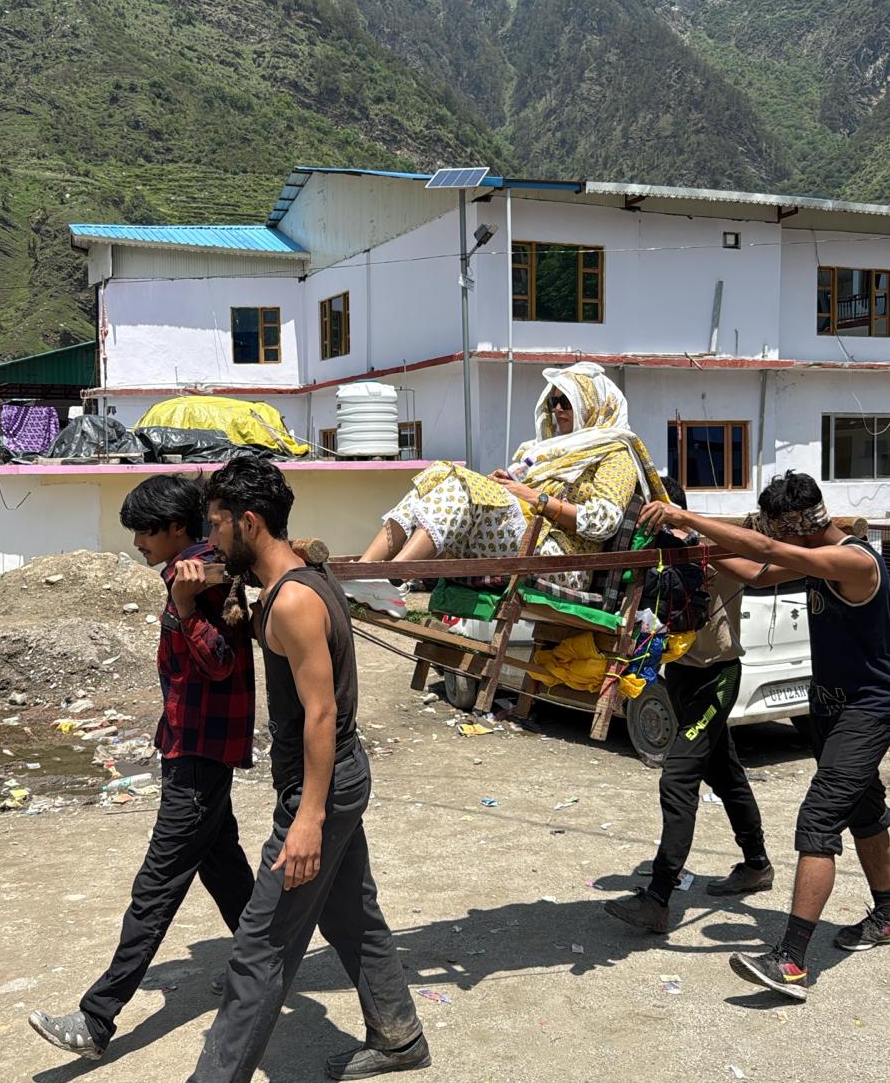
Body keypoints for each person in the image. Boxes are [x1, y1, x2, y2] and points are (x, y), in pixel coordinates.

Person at [124, 455, 427, 1083]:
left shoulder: (292, 599)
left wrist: (308, 821)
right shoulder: (299, 575)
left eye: (218, 522)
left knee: (260, 942)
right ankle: (399, 1034)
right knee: (353, 914)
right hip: (332, 779)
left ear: (248, 521)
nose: (209, 533)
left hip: (322, 782)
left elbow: (321, 715)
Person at [637, 471, 890, 1002]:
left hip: (868, 711)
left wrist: (685, 516)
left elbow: (766, 551)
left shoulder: (855, 560)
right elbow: (754, 573)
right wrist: (689, 548)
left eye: (777, 531)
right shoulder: (811, 554)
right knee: (864, 810)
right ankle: (888, 915)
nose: (774, 540)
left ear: (795, 528)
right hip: (830, 707)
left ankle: (792, 962)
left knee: (819, 819)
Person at [29, 474, 256, 1060]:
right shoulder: (193, 567)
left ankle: (96, 1018)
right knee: (224, 870)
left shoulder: (206, 575)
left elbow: (223, 663)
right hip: (190, 746)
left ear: (177, 527)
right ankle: (266, 968)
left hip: (202, 755)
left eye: (143, 532)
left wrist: (183, 607)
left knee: (155, 889)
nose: (136, 543)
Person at [343, 361, 666, 615]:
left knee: (460, 482)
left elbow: (602, 523)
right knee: (441, 476)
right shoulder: (542, 450)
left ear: (593, 405)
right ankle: (364, 573)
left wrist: (534, 497)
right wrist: (511, 486)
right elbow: (518, 500)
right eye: (554, 401)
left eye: (566, 401)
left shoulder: (615, 452)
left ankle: (394, 579)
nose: (557, 409)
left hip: (562, 561)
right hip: (526, 540)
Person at [605, 477, 774, 935]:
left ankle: (658, 898)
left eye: (661, 517)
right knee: (724, 771)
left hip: (717, 676)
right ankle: (757, 863)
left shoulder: (710, 550)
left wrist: (695, 535)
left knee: (677, 777)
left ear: (676, 513)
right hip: (680, 676)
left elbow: (759, 571)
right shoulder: (649, 554)